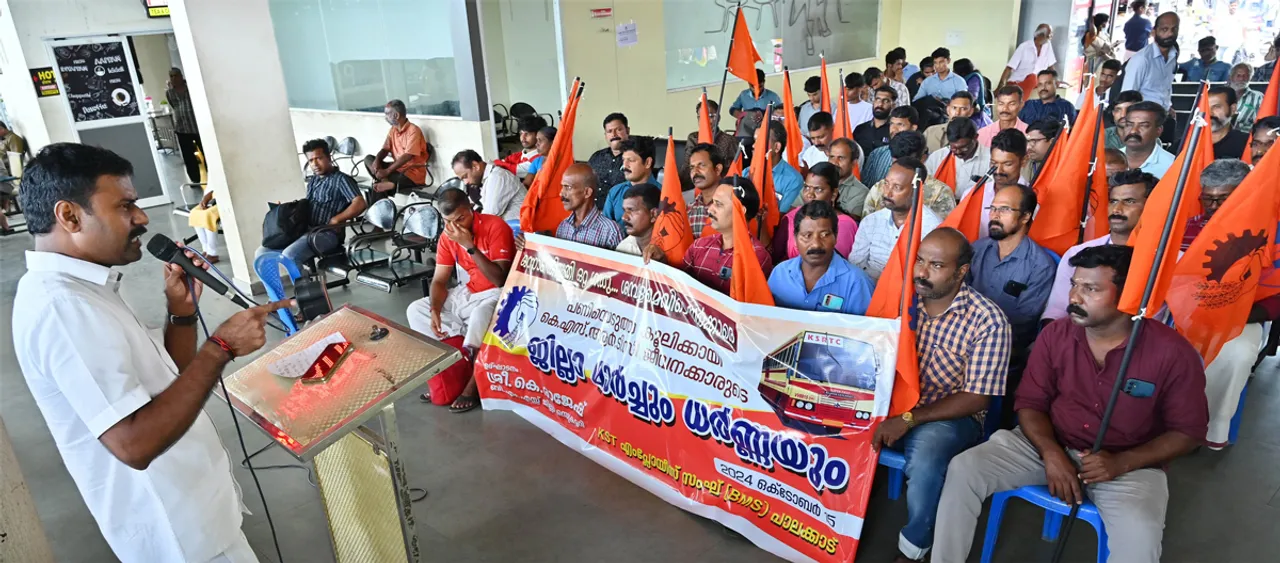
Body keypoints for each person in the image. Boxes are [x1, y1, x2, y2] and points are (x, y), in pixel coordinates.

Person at [14, 142, 289, 563]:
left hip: (198, 516)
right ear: (69, 216)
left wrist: (180, 315)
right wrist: (220, 348)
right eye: (125, 206)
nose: (142, 218)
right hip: (177, 538)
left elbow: (162, 383)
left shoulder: (86, 289)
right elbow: (134, 443)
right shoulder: (63, 308)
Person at [934, 244, 1207, 563]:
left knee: (1140, 535)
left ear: (1131, 294)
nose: (1074, 297)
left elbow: (1188, 432)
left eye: (1091, 289)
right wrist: (1051, 453)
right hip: (1049, 442)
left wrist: (1123, 462)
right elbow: (1030, 404)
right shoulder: (1056, 336)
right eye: (1075, 285)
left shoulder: (1172, 353)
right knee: (964, 469)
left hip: (1129, 462)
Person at [874, 227, 1012, 563]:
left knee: (926, 458)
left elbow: (977, 398)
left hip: (949, 416)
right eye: (920, 261)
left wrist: (908, 419)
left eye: (936, 266)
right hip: (892, 403)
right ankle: (830, 522)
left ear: (961, 271)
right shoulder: (901, 301)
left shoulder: (988, 321)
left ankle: (913, 548)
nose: (921, 272)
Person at [1170, 159, 1265, 449]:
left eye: (1222, 199)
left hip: (1243, 316)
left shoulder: (1267, 232)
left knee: (1235, 353)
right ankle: (1163, 420)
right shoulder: (1186, 229)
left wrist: (1232, 313)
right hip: (1182, 312)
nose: (1212, 207)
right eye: (1207, 198)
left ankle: (1208, 428)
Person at [407, 189, 514, 413]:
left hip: (500, 293)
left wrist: (469, 246)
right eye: (448, 221)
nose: (456, 227)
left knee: (479, 317)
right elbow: (439, 280)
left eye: (460, 219)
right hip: (468, 291)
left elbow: (499, 279)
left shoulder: (495, 226)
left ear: (471, 210)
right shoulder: (448, 235)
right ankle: (452, 371)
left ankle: (472, 386)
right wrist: (435, 309)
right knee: (417, 309)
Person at [968, 184, 1056, 422]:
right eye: (993, 208)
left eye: (1004, 209)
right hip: (961, 340)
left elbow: (1020, 323)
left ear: (1026, 216)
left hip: (1004, 351)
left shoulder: (1040, 265)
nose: (994, 216)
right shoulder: (976, 250)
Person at [1042, 169, 1155, 321]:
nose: (1117, 209)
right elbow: (1055, 313)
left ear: (1152, 206)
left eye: (1129, 201)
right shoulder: (1078, 253)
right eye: (1113, 201)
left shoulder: (1170, 260)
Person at [255, 139, 367, 265]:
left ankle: (304, 284)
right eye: (310, 160)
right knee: (262, 253)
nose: (315, 164)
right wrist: (286, 212)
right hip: (305, 230)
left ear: (329, 157)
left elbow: (360, 203)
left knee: (290, 255)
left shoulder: (341, 180)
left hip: (326, 233)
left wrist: (337, 219)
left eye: (318, 158)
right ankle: (275, 285)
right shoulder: (314, 181)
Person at [768, 201, 874, 315]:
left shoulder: (857, 282)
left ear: (836, 237)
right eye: (807, 236)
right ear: (795, 238)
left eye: (824, 235)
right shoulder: (780, 273)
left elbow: (863, 331)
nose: (816, 244)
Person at [850, 159, 943, 282]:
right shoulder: (871, 222)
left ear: (917, 190)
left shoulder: (933, 229)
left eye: (897, 187)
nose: (887, 193)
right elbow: (855, 266)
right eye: (886, 183)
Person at [682, 178, 773, 295]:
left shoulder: (756, 257)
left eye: (718, 205)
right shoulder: (698, 246)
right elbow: (679, 287)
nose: (710, 210)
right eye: (712, 202)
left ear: (740, 210)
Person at [771, 162, 858, 262]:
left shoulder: (844, 224)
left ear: (834, 194)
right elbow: (776, 256)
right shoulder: (791, 217)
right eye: (806, 187)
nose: (810, 194)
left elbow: (835, 263)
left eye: (818, 189)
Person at [863, 131, 957, 219]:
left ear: (923, 158)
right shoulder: (878, 189)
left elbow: (943, 232)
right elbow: (866, 226)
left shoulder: (940, 194)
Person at [365, 99, 430, 202]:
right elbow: (385, 149)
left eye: (387, 114)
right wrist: (377, 162)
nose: (385, 117)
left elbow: (408, 155)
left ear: (396, 115)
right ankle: (386, 181)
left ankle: (380, 212)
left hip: (411, 174)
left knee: (378, 188)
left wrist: (387, 171)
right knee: (369, 159)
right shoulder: (393, 130)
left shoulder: (414, 130)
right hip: (396, 170)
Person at [970, 129, 1030, 239]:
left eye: (1007, 164)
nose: (998, 171)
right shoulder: (972, 194)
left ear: (1024, 161)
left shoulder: (1034, 199)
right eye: (994, 163)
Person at [553, 163, 623, 249]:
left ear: (587, 192)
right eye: (562, 187)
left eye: (568, 187)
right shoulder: (563, 227)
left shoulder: (610, 232)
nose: (561, 193)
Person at [1120, 12, 1180, 112]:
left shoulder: (1173, 56)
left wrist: (1167, 107)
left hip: (1163, 116)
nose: (1170, 34)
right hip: (1144, 119)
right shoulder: (1141, 59)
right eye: (1164, 29)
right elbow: (1127, 98)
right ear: (1153, 31)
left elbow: (1163, 88)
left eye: (1174, 29)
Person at [452, 149, 527, 222]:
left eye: (465, 176)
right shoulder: (488, 178)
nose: (465, 182)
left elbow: (489, 216)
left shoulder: (498, 177)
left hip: (520, 229)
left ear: (475, 166)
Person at [926, 117, 992, 197]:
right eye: (953, 147)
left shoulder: (991, 159)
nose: (958, 152)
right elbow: (927, 187)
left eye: (964, 147)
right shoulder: (938, 157)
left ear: (975, 137)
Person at [602, 138, 656, 225]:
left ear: (647, 162)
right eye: (623, 160)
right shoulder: (615, 192)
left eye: (631, 160)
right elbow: (605, 228)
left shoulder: (663, 194)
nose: (624, 166)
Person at [862, 106, 920, 186]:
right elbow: (865, 186)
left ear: (913, 128)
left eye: (900, 124)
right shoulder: (877, 154)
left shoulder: (921, 157)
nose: (894, 129)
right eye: (892, 123)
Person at [165, 68, 204, 185]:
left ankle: (213, 178)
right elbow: (173, 105)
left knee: (206, 153)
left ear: (181, 76)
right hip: (182, 128)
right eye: (171, 76)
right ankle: (195, 180)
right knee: (188, 157)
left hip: (197, 127)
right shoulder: (169, 92)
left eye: (176, 75)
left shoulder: (191, 87)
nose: (174, 78)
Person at [1000, 24, 1058, 99]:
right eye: (1048, 36)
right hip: (1018, 82)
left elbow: (1051, 66)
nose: (1050, 38)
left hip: (1036, 82)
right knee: (1033, 77)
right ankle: (1020, 104)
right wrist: (1001, 86)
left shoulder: (1047, 45)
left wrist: (1056, 80)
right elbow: (1009, 68)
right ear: (1040, 36)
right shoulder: (1024, 47)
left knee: (1039, 80)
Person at [1121, 101, 1175, 179]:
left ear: (1158, 131)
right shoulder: (1106, 160)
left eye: (1144, 126)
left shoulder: (1172, 165)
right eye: (1129, 125)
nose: (1133, 131)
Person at [686, 100, 741, 169]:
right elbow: (688, 164)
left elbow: (733, 168)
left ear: (718, 118)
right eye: (701, 117)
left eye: (710, 116)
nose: (706, 120)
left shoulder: (730, 141)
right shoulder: (693, 138)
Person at [589, 113, 630, 206]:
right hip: (592, 212)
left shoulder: (635, 159)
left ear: (627, 131)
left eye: (618, 130)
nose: (614, 134)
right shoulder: (597, 157)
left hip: (620, 214)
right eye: (609, 131)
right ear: (605, 135)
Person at [728, 69, 783, 138]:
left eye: (760, 86)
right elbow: (732, 109)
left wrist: (765, 115)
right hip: (747, 130)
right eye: (753, 86)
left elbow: (781, 115)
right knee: (741, 144)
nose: (756, 90)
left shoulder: (773, 96)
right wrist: (744, 114)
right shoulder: (743, 95)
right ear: (748, 83)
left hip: (766, 131)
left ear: (764, 82)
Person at [764, 121, 805, 214]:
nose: (754, 146)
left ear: (777, 147)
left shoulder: (793, 179)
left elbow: (783, 218)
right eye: (755, 141)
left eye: (761, 142)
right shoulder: (747, 172)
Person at [687, 143, 726, 238]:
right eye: (692, 167)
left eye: (701, 165)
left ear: (717, 169)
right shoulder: (687, 210)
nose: (695, 172)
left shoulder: (731, 207)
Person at [615, 183, 661, 257]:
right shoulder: (623, 248)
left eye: (631, 210)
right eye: (624, 210)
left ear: (653, 214)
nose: (624, 217)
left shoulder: (673, 247)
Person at [829, 138, 871, 219]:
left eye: (841, 158)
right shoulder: (817, 183)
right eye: (831, 157)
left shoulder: (861, 192)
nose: (834, 162)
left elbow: (848, 222)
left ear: (854, 163)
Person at [494, 115, 547, 180]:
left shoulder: (540, 158)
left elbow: (516, 170)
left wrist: (499, 163)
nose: (523, 137)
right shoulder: (519, 155)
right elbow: (501, 162)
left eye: (527, 133)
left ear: (539, 135)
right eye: (521, 133)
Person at [1206, 86, 1250, 160]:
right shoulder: (1189, 142)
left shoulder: (1246, 143)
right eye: (1206, 107)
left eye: (1216, 107)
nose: (1209, 113)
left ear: (1233, 109)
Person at [854, 86, 897, 158]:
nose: (880, 104)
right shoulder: (860, 129)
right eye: (877, 99)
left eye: (886, 101)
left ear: (893, 105)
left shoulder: (894, 131)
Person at [0, 120, 26, 235]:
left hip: (6, 181)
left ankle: (5, 227)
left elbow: (16, 158)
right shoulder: (4, 139)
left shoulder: (12, 138)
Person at [1229, 63, 1265, 133]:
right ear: (1231, 77)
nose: (1241, 79)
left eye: (1245, 76)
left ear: (1250, 78)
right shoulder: (1221, 95)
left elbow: (1260, 123)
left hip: (1245, 136)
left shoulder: (1258, 97)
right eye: (1238, 75)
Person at [798, 76, 825, 141]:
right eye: (809, 95)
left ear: (822, 90)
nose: (811, 98)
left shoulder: (833, 107)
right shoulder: (804, 108)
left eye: (815, 95)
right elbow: (799, 128)